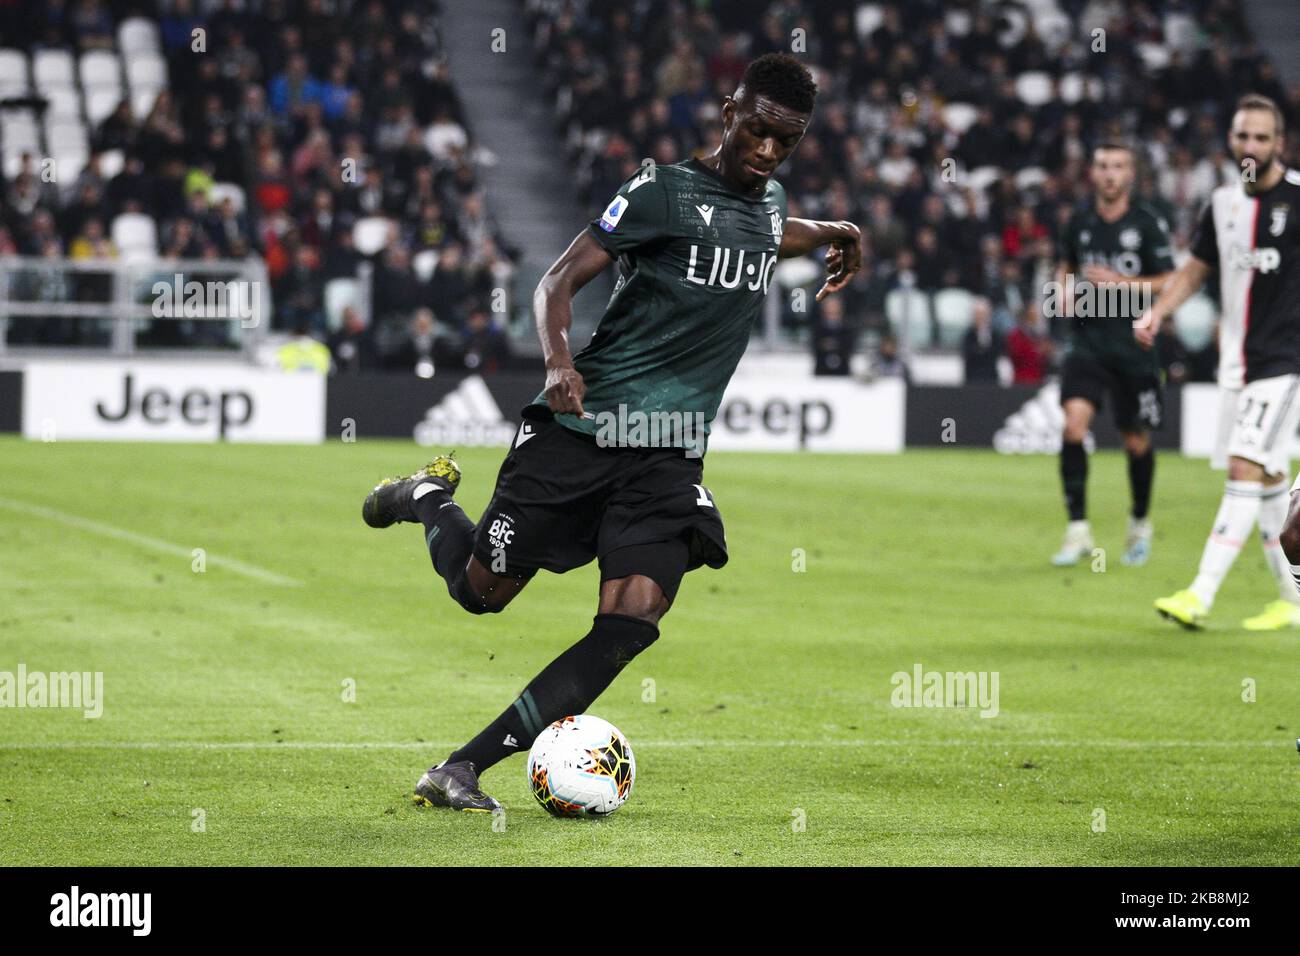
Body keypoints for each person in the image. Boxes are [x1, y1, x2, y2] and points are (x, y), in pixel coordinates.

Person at [360, 54, 861, 811]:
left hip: (668, 455)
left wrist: (837, 229)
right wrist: (559, 361)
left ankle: (461, 768)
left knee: (631, 619)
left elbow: (769, 232)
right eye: (756, 131)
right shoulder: (660, 190)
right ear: (729, 113)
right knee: (482, 591)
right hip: (585, 428)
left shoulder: (768, 203)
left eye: (784, 143)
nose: (766, 151)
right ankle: (428, 496)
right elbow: (557, 279)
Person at [1141, 95, 1300, 630]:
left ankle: (1200, 594)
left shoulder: (1299, 199)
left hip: (1288, 364)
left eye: (1261, 137)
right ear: (1230, 141)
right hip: (1239, 365)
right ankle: (1292, 598)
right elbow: (1194, 270)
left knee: (1243, 465)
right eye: (1242, 136)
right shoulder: (1222, 204)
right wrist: (1158, 312)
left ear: (1279, 143)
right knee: (1271, 474)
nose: (1250, 146)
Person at [1050, 141, 1174, 568]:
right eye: (1102, 165)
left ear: (1131, 174)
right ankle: (1077, 529)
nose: (1109, 174)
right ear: (1092, 171)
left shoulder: (1147, 224)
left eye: (1117, 166)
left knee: (1135, 440)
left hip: (1133, 347)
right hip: (1088, 343)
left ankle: (1139, 522)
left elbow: (1170, 281)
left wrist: (1120, 284)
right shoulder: (1080, 221)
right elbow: (1065, 264)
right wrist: (1063, 288)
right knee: (1073, 424)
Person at [961, 296, 1002, 383]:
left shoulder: (995, 334)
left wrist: (981, 351)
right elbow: (968, 353)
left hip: (991, 378)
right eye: (978, 314)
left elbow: (997, 352)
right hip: (973, 378)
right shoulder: (969, 335)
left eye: (983, 314)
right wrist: (983, 351)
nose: (980, 317)